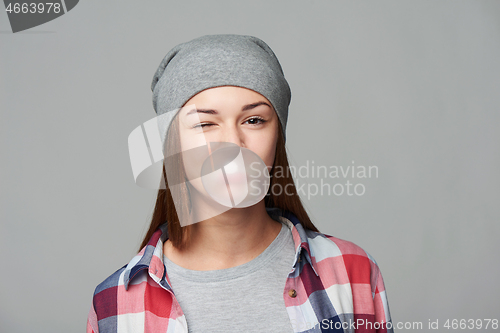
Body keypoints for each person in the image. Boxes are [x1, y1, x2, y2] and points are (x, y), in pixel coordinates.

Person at [86, 34, 393, 333]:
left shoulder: (354, 272)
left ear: (278, 136)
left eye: (254, 120)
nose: (233, 144)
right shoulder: (115, 303)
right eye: (205, 124)